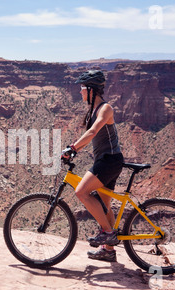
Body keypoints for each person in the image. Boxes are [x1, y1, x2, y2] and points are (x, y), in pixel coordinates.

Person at [61, 70, 124, 262]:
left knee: (81, 192)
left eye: (82, 88)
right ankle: (109, 250)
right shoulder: (93, 109)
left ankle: (107, 232)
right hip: (106, 161)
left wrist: (73, 148)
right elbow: (89, 134)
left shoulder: (105, 109)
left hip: (109, 161)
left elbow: (93, 132)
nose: (80, 92)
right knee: (105, 206)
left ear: (91, 89)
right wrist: (74, 148)